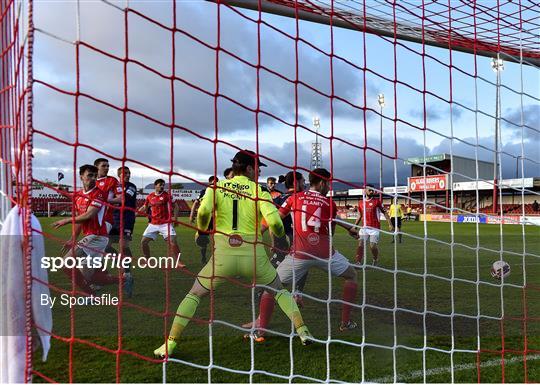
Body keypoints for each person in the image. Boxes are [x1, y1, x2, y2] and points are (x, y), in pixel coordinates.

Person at [154, 149, 313, 358]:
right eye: (256, 168)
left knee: (194, 294)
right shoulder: (260, 190)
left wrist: (202, 232)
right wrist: (281, 235)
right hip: (254, 257)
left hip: (223, 257)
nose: (258, 172)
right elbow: (274, 222)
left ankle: (170, 344)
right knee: (279, 291)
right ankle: (303, 331)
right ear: (248, 168)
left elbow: (202, 212)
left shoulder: (216, 187)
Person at [245, 168, 359, 342]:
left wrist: (256, 233)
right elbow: (331, 229)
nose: (329, 187)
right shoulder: (329, 203)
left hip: (299, 254)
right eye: (328, 183)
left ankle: (261, 330)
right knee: (352, 276)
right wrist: (350, 229)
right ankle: (345, 322)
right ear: (322, 183)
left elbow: (274, 218)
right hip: (326, 254)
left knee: (270, 287)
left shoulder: (294, 198)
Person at [241, 171, 306, 330]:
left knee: (263, 285)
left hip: (282, 248)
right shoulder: (304, 200)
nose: (305, 183)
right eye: (303, 181)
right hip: (301, 250)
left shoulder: (279, 200)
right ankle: (297, 294)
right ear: (297, 182)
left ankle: (261, 321)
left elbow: (266, 224)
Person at [52, 165, 117, 295]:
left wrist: (66, 220)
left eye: (95, 175)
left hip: (97, 236)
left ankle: (91, 296)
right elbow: (80, 218)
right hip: (91, 236)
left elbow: (89, 215)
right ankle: (124, 279)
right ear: (81, 176)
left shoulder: (99, 194)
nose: (93, 178)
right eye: (89, 175)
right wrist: (73, 239)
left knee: (66, 263)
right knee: (90, 275)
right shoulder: (79, 195)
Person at [138, 179, 184, 268]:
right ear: (155, 186)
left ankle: (179, 262)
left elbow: (176, 207)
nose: (162, 186)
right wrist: (135, 213)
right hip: (153, 224)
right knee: (143, 242)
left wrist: (175, 218)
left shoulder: (167, 196)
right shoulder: (150, 196)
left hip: (165, 224)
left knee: (173, 241)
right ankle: (147, 260)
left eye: (163, 185)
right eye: (160, 185)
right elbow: (144, 207)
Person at [109, 166, 137, 297]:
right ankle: (122, 264)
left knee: (123, 246)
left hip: (127, 219)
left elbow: (123, 200)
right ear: (119, 175)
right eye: (125, 173)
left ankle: (127, 273)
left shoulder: (131, 187)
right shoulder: (114, 186)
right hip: (114, 219)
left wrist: (105, 201)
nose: (128, 175)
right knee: (105, 247)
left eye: (129, 173)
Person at [352, 185, 393, 266]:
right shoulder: (360, 203)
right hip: (364, 227)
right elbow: (359, 215)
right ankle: (358, 262)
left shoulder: (377, 202)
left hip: (375, 228)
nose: (372, 192)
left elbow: (385, 212)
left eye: (372, 190)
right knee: (361, 244)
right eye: (370, 190)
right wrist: (354, 226)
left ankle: (375, 258)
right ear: (365, 191)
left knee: (372, 246)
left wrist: (390, 224)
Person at [189, 176, 218, 264]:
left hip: (216, 219)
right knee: (203, 239)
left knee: (215, 239)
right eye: (213, 183)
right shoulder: (204, 192)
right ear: (209, 183)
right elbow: (195, 203)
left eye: (216, 183)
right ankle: (204, 257)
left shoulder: (220, 192)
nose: (215, 184)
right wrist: (191, 215)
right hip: (205, 218)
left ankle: (215, 258)